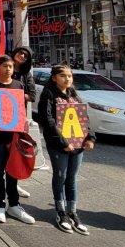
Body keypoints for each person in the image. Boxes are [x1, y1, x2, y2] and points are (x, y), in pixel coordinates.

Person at [36, 64, 96, 234]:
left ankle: (73, 212)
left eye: (69, 76)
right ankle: (60, 212)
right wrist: (63, 142)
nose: (67, 79)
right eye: (63, 76)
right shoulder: (48, 94)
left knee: (72, 178)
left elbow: (83, 118)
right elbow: (47, 121)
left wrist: (90, 138)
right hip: (59, 145)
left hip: (77, 144)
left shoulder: (74, 95)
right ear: (54, 77)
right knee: (60, 176)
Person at [0, 55, 35, 225]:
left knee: (13, 170)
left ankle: (14, 204)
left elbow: (21, 108)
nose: (8, 69)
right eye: (5, 66)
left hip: (14, 135)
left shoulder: (18, 85)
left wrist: (24, 123)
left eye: (11, 67)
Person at [11, 46, 37, 193]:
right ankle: (1, 181)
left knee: (16, 151)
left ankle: (14, 183)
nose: (22, 56)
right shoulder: (2, 66)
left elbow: (32, 95)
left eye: (25, 56)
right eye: (21, 52)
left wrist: (13, 94)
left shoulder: (26, 75)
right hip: (2, 115)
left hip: (18, 116)